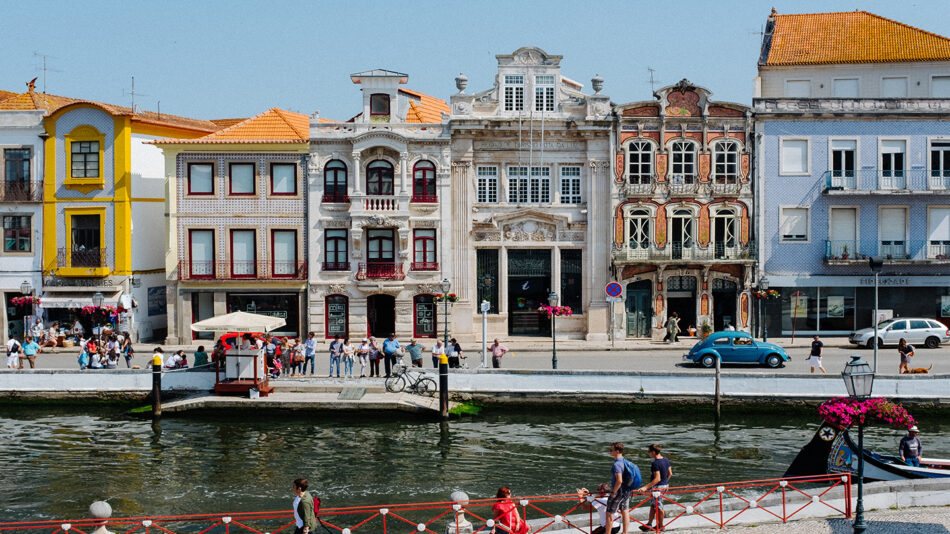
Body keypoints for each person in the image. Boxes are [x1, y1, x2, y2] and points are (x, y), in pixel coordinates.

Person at [605, 442, 640, 534]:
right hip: (627, 491)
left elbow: (619, 480)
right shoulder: (624, 461)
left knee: (609, 513)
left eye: (611, 450)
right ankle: (625, 532)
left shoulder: (617, 464)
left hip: (619, 492)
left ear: (617, 451)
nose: (609, 452)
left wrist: (613, 492)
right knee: (625, 511)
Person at [638, 444, 672, 532]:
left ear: (653, 452)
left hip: (658, 488)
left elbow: (657, 478)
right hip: (664, 485)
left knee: (659, 506)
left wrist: (645, 487)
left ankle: (660, 526)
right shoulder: (666, 460)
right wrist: (665, 483)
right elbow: (670, 474)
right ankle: (649, 523)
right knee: (654, 505)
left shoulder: (655, 463)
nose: (648, 453)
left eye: (649, 452)